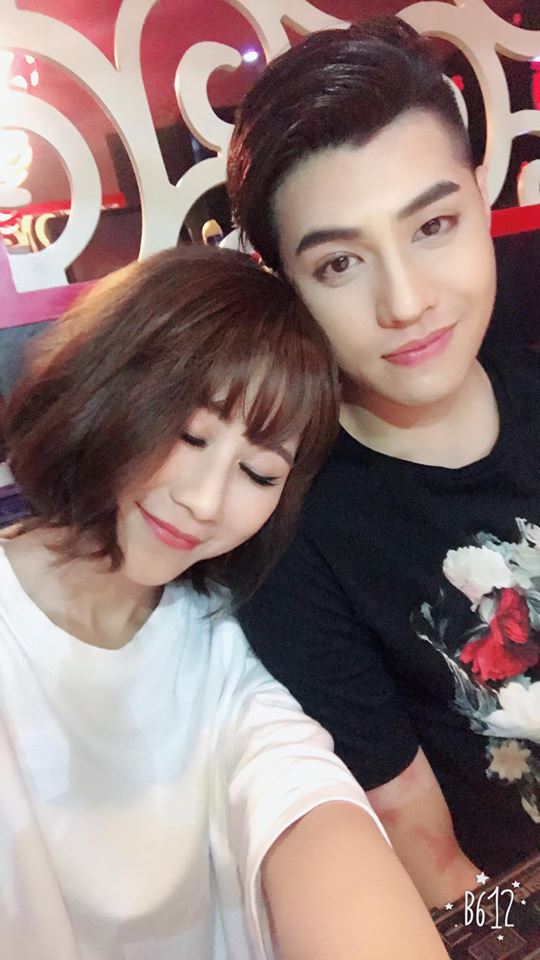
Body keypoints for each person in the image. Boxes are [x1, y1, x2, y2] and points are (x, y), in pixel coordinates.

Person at [0, 245, 449, 960]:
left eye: (258, 472)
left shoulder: (223, 641)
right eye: (189, 435)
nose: (204, 501)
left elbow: (308, 806)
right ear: (108, 384)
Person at [228, 16, 540, 909]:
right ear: (287, 289)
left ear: (482, 199)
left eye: (433, 224)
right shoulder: (293, 538)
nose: (405, 302)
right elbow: (424, 847)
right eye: (339, 264)